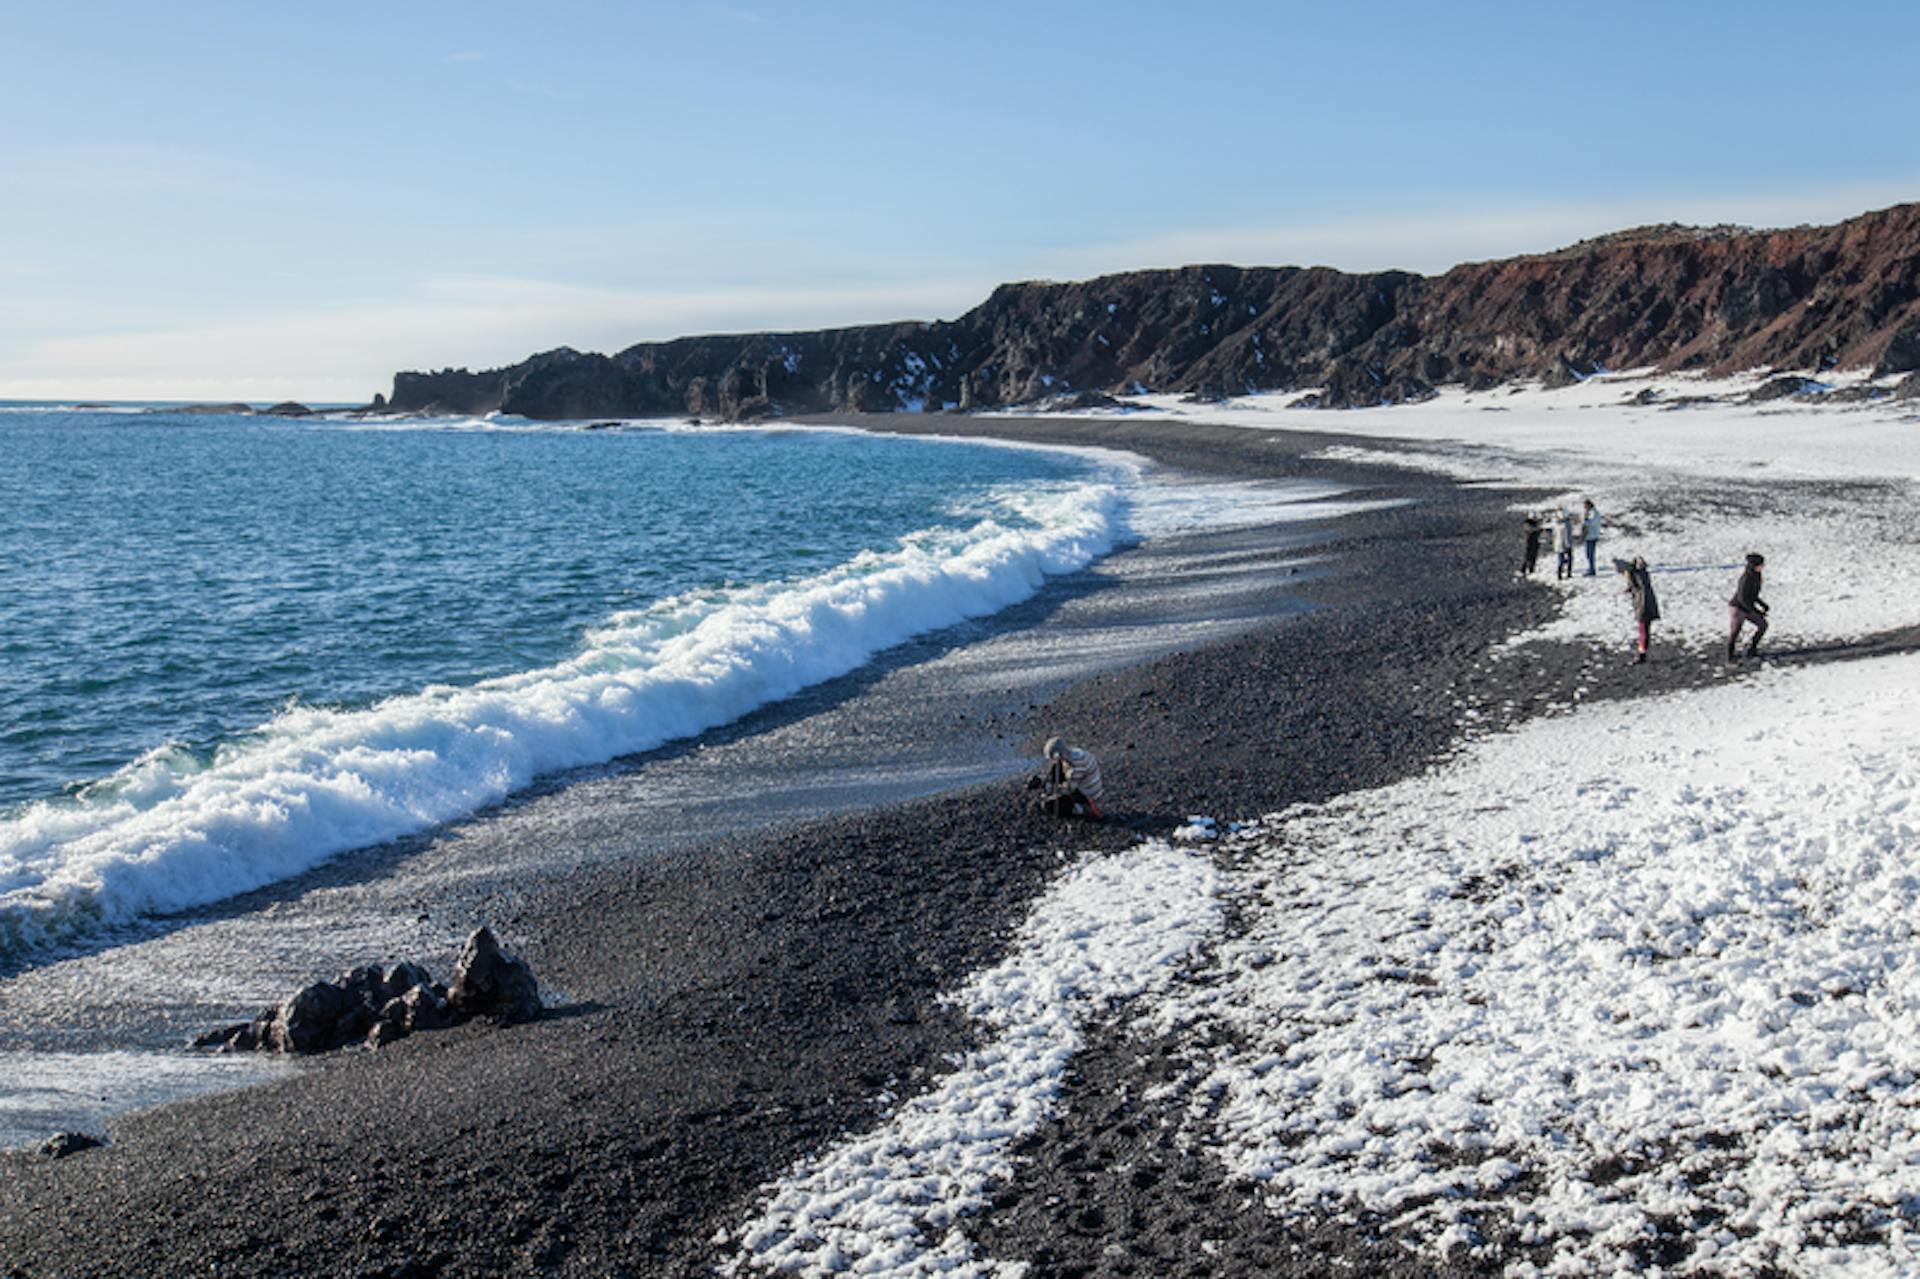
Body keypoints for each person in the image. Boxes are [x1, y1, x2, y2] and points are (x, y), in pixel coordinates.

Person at [1033, 736, 1104, 820]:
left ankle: (1082, 809)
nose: (1052, 760)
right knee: (1057, 766)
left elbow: (1068, 789)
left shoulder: (1076, 767)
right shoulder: (1073, 753)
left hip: (1088, 795)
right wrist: (1043, 780)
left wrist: (1048, 788)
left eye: (1053, 758)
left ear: (1057, 755)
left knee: (1049, 806)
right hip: (1081, 783)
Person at [1728, 551, 1770, 662]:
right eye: (1761, 565)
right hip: (1738, 608)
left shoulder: (1757, 576)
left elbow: (1753, 595)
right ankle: (1729, 658)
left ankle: (1752, 649)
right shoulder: (1745, 579)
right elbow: (1742, 598)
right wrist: (1755, 611)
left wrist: (1762, 604)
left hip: (1748, 606)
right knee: (1735, 632)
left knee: (1763, 625)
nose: (1763, 567)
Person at [1620, 555, 1659, 663]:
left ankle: (1642, 653)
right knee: (1645, 629)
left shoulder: (1638, 576)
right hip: (1648, 604)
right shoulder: (1643, 575)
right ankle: (1642, 652)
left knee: (1643, 630)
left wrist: (1629, 581)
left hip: (1643, 605)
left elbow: (1637, 588)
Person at [1553, 508, 1576, 580]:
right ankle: (1568, 573)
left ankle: (1559, 574)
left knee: (1560, 559)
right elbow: (1567, 536)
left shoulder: (1556, 523)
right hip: (1565, 544)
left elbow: (1555, 534)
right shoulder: (1567, 524)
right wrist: (1568, 545)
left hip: (1558, 544)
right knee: (1570, 558)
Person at [1581, 499, 1603, 576]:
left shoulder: (1594, 513)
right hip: (1589, 535)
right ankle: (1591, 568)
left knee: (1590, 554)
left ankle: (1592, 570)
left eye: (1585, 506)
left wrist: (1585, 521)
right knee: (1588, 554)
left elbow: (1591, 523)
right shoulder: (1591, 512)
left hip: (1592, 536)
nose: (1584, 508)